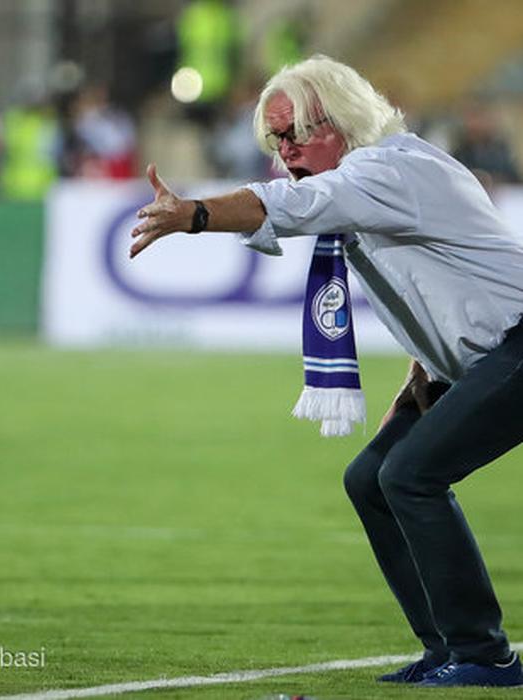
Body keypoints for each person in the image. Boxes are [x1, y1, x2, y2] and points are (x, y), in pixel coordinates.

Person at [130, 55, 523, 688]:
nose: (284, 150)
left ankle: (484, 655)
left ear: (341, 121)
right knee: (371, 479)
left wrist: (195, 214)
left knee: (410, 474)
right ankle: (448, 648)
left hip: (516, 346)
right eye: (275, 139)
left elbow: (296, 203)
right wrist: (423, 370)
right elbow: (441, 282)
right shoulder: (384, 174)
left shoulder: (387, 168)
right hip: (483, 356)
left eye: (295, 133)